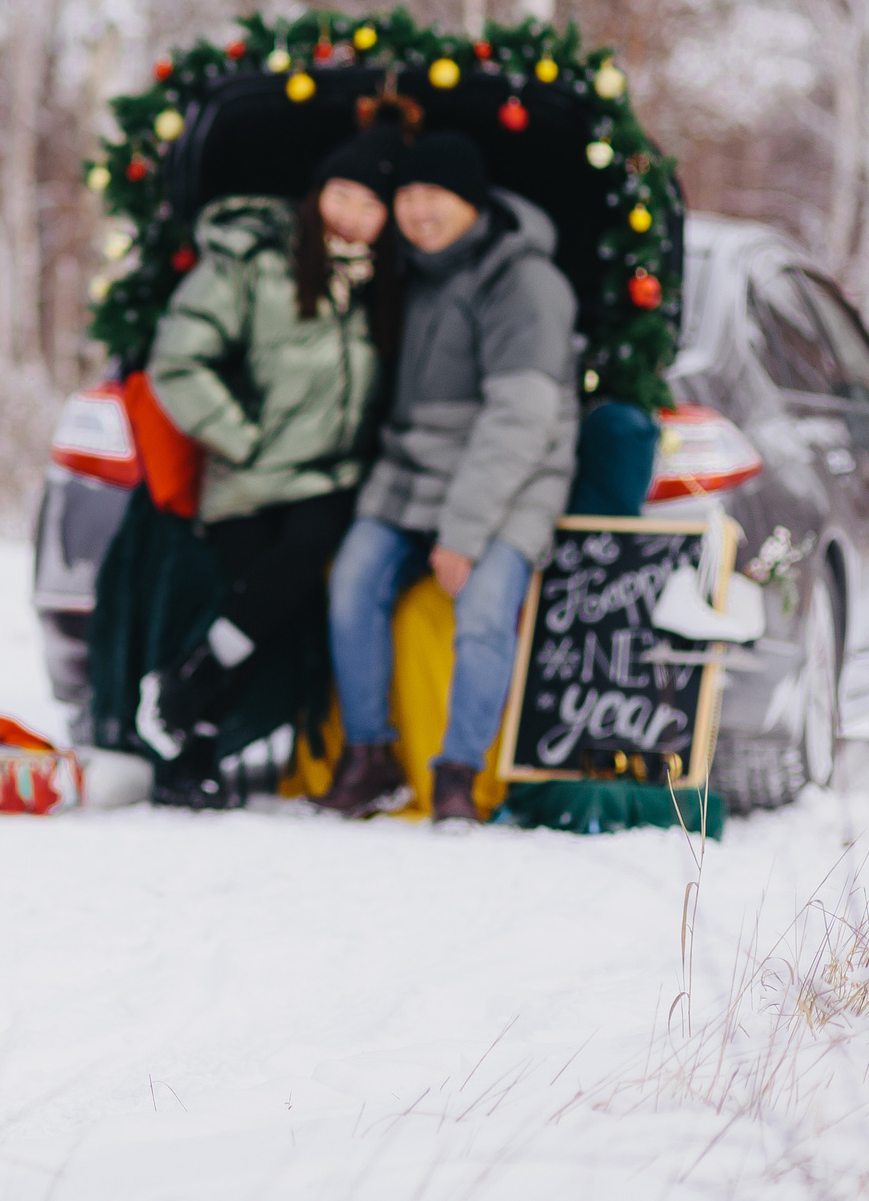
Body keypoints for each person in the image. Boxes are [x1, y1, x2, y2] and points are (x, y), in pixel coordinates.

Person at [132, 128, 403, 808]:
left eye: (370, 205)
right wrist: (241, 438)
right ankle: (191, 748)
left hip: (335, 478)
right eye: (342, 194)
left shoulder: (388, 285)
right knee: (255, 591)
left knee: (305, 550)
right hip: (249, 472)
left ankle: (188, 691)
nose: (351, 215)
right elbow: (178, 359)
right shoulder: (252, 263)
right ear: (317, 196)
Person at [313, 131, 579, 823]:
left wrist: (462, 532)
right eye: (405, 196)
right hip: (412, 470)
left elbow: (521, 419)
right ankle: (371, 755)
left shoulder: (523, 281)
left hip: (515, 473)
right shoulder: (406, 270)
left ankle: (458, 773)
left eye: (434, 195)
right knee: (353, 582)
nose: (417, 211)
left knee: (486, 607)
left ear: (471, 201)